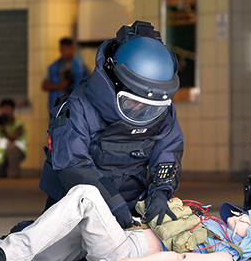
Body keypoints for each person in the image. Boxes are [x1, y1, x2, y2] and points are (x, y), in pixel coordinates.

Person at [0, 184, 251, 261]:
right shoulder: (214, 227)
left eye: (245, 218)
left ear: (250, 234)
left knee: (85, 195)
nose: (238, 216)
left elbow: (175, 258)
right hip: (125, 237)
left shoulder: (227, 258)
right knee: (43, 253)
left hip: (126, 253)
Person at [38, 21, 184, 231]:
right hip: (76, 207)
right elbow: (73, 164)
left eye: (151, 107)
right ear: (115, 82)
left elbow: (168, 151)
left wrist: (161, 192)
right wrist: (111, 203)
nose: (141, 111)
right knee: (60, 255)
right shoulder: (80, 106)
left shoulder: (163, 110)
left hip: (133, 205)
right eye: (133, 102)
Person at [0, 98, 27, 178]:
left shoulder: (18, 122)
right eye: (4, 108)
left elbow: (13, 139)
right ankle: (3, 170)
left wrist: (3, 129)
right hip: (1, 153)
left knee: (11, 149)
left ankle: (14, 173)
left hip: (17, 151)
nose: (6, 110)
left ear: (13, 109)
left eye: (8, 108)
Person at [42, 37, 89, 112]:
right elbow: (44, 85)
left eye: (68, 48)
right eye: (63, 49)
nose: (66, 51)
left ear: (72, 49)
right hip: (58, 107)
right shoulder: (53, 67)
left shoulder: (81, 65)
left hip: (78, 106)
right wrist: (59, 85)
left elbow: (91, 80)